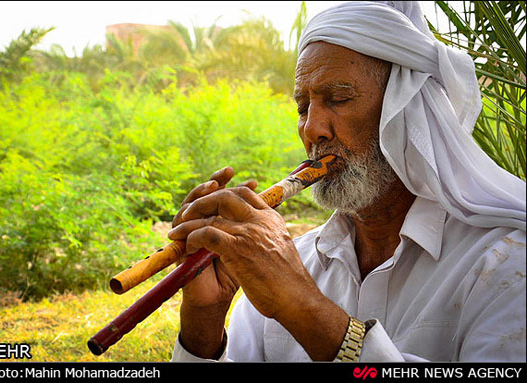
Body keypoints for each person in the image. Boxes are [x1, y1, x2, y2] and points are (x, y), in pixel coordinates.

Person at [168, 1, 526, 362]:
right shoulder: (294, 264)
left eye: (338, 99)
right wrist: (204, 319)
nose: (312, 129)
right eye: (302, 108)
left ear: (404, 111)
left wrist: (301, 305)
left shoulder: (505, 263)